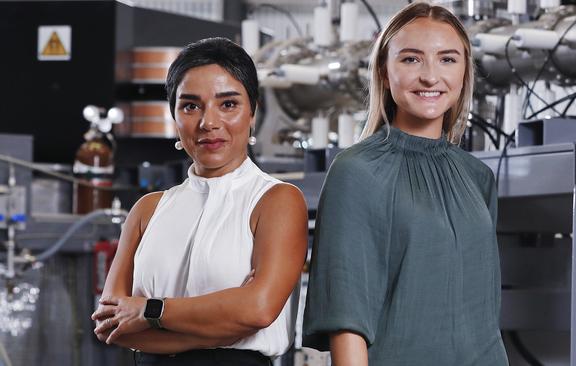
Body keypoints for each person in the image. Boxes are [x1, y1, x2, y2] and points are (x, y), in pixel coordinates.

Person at [302, 3, 508, 365]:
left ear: (464, 71)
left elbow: (484, 313)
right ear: (384, 71)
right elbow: (347, 317)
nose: (431, 77)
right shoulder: (356, 172)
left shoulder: (478, 178)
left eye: (447, 60)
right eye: (411, 60)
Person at [91, 37, 308, 365]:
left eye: (228, 104)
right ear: (174, 116)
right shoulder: (148, 209)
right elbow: (111, 324)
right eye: (190, 105)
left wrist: (150, 310)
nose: (209, 122)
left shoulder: (276, 200)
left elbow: (260, 309)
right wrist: (229, 325)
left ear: (253, 112)